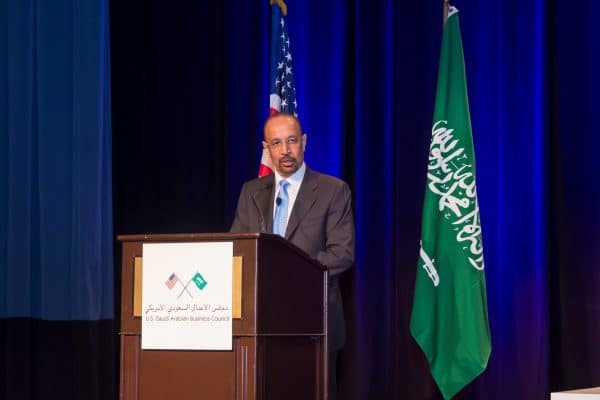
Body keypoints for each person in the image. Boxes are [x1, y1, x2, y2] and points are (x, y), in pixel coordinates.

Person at [231, 113, 355, 400]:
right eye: (276, 143)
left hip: (314, 322)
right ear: (267, 148)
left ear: (304, 142)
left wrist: (289, 271)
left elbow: (342, 253)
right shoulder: (251, 192)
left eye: (292, 141)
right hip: (260, 323)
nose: (285, 150)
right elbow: (237, 249)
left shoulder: (333, 190)